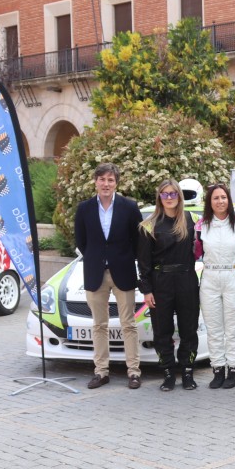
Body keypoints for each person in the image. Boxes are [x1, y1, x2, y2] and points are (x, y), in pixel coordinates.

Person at [73, 163, 143, 390]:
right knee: (99, 325)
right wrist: (98, 258)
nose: (106, 184)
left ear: (116, 183)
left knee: (128, 324)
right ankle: (101, 372)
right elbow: (81, 242)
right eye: (102, 179)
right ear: (95, 182)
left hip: (122, 272)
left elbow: (138, 241)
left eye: (110, 180)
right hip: (95, 274)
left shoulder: (129, 207)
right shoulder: (84, 209)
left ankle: (133, 372)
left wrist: (120, 258)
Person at [138, 179, 201, 392]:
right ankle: (168, 372)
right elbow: (143, 263)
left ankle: (187, 371)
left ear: (179, 196)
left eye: (173, 193)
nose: (169, 198)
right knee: (162, 331)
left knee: (188, 329)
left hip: (187, 280)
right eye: (165, 194)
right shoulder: (148, 225)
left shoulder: (192, 220)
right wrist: (146, 290)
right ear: (159, 198)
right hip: (160, 283)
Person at [195, 183, 235, 390]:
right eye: (216, 198)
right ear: (210, 202)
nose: (220, 201)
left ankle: (234, 368)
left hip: (232, 276)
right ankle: (218, 368)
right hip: (209, 276)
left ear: (229, 200)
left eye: (223, 197)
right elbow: (194, 253)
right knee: (214, 328)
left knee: (233, 328)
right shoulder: (201, 226)